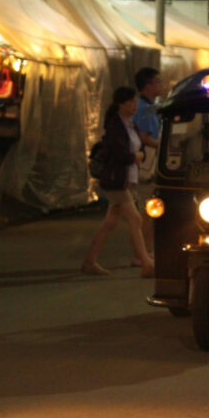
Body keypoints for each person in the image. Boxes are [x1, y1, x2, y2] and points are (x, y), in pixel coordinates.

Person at [82, 86, 155, 277]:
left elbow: (138, 147)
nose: (134, 106)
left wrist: (139, 155)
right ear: (120, 104)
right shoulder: (115, 125)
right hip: (116, 180)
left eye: (135, 102)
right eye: (130, 102)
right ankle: (146, 263)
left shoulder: (130, 125)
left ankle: (90, 261)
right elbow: (120, 153)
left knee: (111, 222)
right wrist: (135, 157)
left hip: (127, 179)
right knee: (136, 219)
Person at [132, 67, 162, 257]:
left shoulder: (150, 106)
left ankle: (144, 252)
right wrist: (162, 146)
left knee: (143, 210)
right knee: (147, 210)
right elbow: (144, 137)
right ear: (147, 85)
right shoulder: (144, 108)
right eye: (157, 81)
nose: (161, 85)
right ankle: (143, 253)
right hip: (146, 164)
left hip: (145, 164)